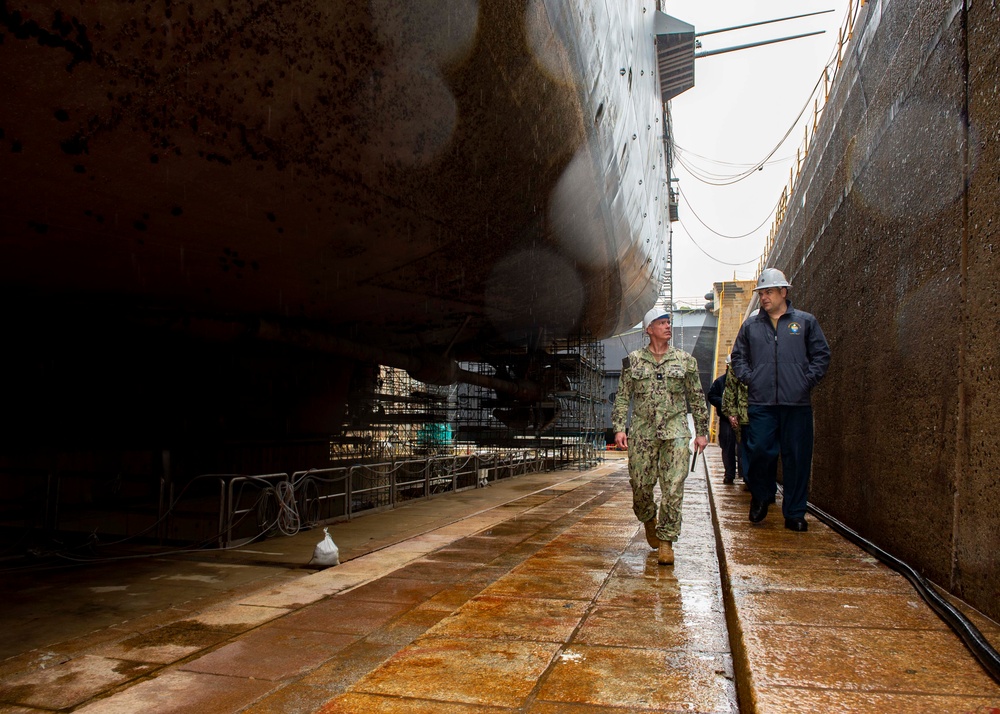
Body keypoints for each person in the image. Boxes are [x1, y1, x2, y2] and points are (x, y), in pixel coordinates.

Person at [730, 268, 831, 532]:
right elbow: (738, 357)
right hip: (761, 402)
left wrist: (805, 381)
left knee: (796, 457)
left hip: (796, 404)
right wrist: (751, 378)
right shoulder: (751, 326)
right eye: (761, 293)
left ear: (783, 292)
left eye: (769, 292)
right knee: (760, 451)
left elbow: (822, 355)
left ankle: (795, 513)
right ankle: (762, 495)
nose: (764, 297)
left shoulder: (805, 322)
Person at [612, 307, 709, 565]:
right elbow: (623, 398)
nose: (668, 326)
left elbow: (697, 398)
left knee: (673, 486)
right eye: (662, 322)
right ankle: (648, 518)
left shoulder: (685, 361)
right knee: (641, 486)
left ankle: (666, 540)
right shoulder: (632, 362)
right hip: (643, 433)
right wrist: (620, 427)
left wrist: (701, 432)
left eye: (668, 322)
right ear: (649, 330)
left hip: (676, 431)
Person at [707, 359, 738, 484]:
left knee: (742, 449)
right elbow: (712, 396)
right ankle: (729, 474)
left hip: (744, 419)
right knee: (728, 446)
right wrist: (724, 404)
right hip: (726, 419)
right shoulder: (720, 382)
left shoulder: (744, 380)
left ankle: (745, 475)